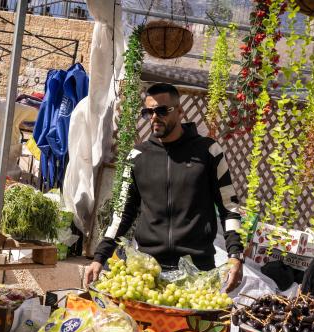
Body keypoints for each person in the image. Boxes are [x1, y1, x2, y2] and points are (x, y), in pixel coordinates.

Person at [84, 83, 244, 291]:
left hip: (198, 271)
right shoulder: (136, 157)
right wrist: (99, 256)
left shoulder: (209, 152)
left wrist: (235, 256)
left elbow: (229, 207)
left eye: (162, 110)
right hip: (147, 271)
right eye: (148, 112)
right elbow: (122, 213)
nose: (154, 117)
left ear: (179, 111)